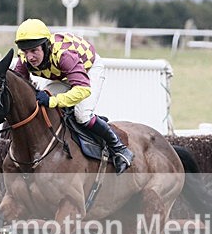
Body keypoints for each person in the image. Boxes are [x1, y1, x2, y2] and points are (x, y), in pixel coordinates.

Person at [12, 18, 134, 174]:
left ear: (45, 46)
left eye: (34, 50)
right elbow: (18, 84)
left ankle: (119, 148)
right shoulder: (24, 57)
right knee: (41, 103)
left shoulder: (64, 55)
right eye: (25, 51)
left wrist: (54, 101)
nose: (30, 57)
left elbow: (82, 90)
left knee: (82, 115)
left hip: (88, 71)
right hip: (63, 76)